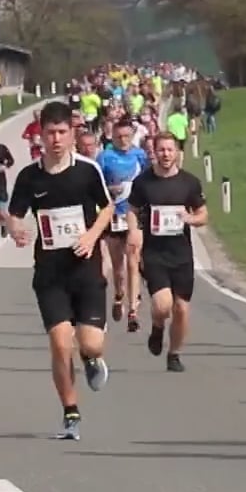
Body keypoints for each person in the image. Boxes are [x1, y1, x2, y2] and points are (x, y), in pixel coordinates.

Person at [8, 101, 115, 439]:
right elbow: (14, 214)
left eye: (62, 132)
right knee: (59, 342)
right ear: (41, 135)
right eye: (50, 132)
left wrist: (91, 235)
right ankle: (71, 412)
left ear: (72, 134)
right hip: (50, 272)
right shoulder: (29, 176)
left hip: (86, 268)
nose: (55, 139)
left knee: (92, 343)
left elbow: (107, 208)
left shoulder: (87, 170)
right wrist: (16, 230)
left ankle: (92, 358)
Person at [126, 130, 206, 372]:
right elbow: (132, 209)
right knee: (162, 304)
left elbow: (203, 215)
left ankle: (174, 353)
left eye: (170, 149)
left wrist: (190, 219)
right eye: (161, 150)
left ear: (177, 152)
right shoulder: (144, 182)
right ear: (154, 152)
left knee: (181, 308)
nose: (166, 154)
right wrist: (134, 231)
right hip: (155, 253)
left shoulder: (189, 182)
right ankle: (158, 326)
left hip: (181, 254)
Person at [98, 118, 150, 332]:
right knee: (118, 268)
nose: (123, 140)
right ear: (112, 136)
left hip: (133, 216)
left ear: (133, 135)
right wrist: (111, 190)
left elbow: (149, 182)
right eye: (119, 137)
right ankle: (119, 295)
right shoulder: (105, 157)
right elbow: (96, 185)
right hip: (114, 217)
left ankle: (133, 310)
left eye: (127, 136)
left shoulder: (140, 155)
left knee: (133, 261)